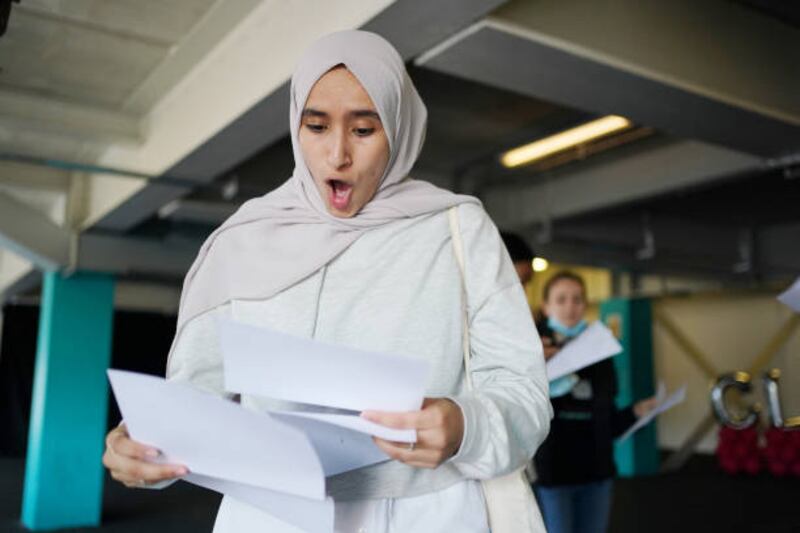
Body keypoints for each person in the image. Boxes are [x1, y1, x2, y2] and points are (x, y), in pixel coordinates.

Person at [101, 30, 552, 533]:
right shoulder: (240, 242)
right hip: (271, 515)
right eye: (316, 126)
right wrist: (145, 448)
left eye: (364, 130)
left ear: (399, 129)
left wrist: (466, 427)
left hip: (427, 514)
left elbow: (523, 394)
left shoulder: (459, 230)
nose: (337, 155)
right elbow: (196, 404)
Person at [531, 271, 657, 533]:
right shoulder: (530, 348)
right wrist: (535, 364)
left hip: (596, 470)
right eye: (561, 299)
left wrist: (636, 413)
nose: (570, 306)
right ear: (546, 306)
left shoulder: (600, 350)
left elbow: (607, 419)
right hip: (553, 471)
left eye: (577, 299)